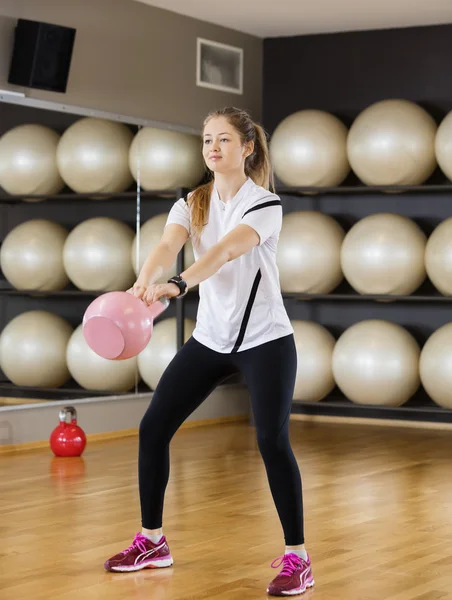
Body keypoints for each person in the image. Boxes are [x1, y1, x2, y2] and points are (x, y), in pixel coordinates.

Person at [103, 106, 315, 596]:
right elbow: (167, 244)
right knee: (154, 427)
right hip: (211, 341)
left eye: (223, 140)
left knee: (271, 442)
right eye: (206, 141)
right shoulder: (193, 201)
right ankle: (152, 541)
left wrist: (175, 286)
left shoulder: (264, 204)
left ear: (247, 148)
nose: (213, 148)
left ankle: (297, 558)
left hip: (266, 341)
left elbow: (222, 253)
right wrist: (144, 279)